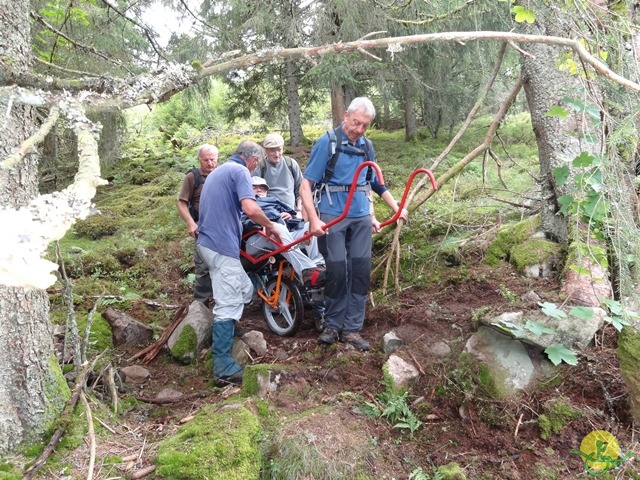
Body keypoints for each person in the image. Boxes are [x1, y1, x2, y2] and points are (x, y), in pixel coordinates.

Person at [300, 97, 408, 351]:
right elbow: (306, 185)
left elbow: (376, 183)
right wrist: (314, 219)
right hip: (332, 215)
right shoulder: (328, 142)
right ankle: (332, 324)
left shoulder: (366, 146)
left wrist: (396, 208)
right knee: (337, 270)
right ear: (346, 115)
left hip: (360, 216)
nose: (359, 129)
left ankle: (352, 329)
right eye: (356, 122)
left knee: (360, 271)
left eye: (365, 126)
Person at [197, 140, 283, 386]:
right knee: (230, 301)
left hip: (208, 244)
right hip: (220, 246)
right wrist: (271, 226)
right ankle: (222, 366)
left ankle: (228, 332)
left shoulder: (220, 171)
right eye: (258, 164)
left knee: (244, 289)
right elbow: (250, 207)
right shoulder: (241, 171)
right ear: (253, 159)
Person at [242, 176, 325, 289]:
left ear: (266, 190)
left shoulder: (273, 201)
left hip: (281, 235)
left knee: (310, 226)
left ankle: (319, 266)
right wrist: (261, 223)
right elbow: (240, 223)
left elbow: (296, 218)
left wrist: (290, 216)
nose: (259, 190)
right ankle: (306, 270)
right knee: (277, 227)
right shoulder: (244, 203)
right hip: (255, 240)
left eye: (262, 187)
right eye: (254, 187)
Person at [177, 144, 218, 304]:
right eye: (205, 160)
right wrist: (190, 223)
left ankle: (220, 301)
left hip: (222, 228)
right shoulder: (192, 177)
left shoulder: (222, 173)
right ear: (199, 159)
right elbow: (181, 203)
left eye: (212, 160)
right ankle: (200, 306)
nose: (209, 163)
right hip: (202, 228)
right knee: (203, 268)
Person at [254, 133, 304, 214]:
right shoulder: (260, 166)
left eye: (279, 150)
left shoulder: (290, 164)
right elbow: (255, 194)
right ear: (265, 150)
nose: (277, 154)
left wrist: (299, 211)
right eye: (272, 150)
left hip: (292, 213)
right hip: (270, 213)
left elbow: (301, 190)